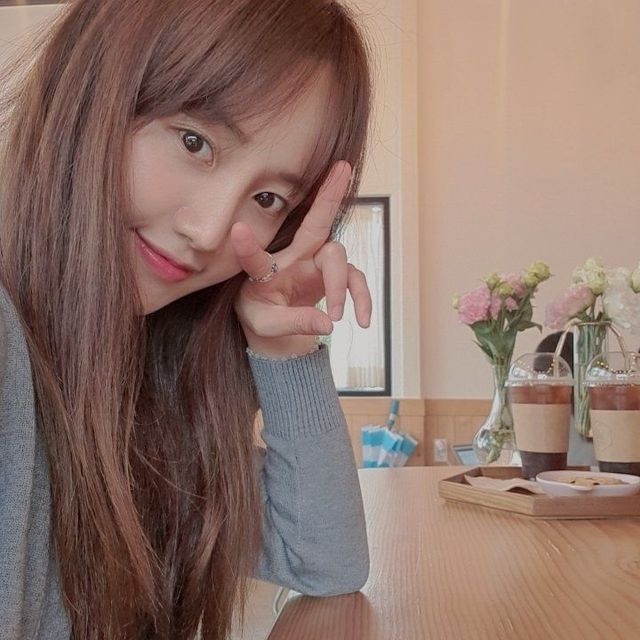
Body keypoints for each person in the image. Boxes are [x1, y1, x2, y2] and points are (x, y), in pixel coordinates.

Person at [0, 1, 373, 638]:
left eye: (267, 199)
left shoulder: (150, 379)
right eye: (194, 142)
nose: (208, 231)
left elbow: (324, 560)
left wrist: (281, 344)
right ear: (91, 90)